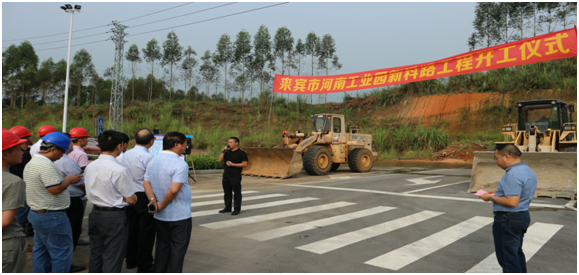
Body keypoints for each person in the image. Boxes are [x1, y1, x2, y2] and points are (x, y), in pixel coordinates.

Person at [23, 132, 83, 273]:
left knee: (41, 250)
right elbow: (54, 189)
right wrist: (69, 180)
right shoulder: (46, 165)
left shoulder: (33, 162)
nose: (62, 155)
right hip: (52, 215)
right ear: (53, 149)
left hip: (39, 213)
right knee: (61, 252)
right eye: (62, 151)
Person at [84, 130, 137, 273]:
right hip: (114, 216)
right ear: (119, 146)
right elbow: (130, 199)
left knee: (96, 253)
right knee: (113, 256)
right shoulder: (119, 170)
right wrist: (133, 198)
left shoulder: (90, 166)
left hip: (95, 213)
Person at [479, 144, 537, 273]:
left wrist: (490, 197)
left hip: (508, 219)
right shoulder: (527, 170)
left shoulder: (513, 174)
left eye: (496, 158)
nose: (496, 162)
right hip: (521, 217)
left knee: (508, 259)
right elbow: (519, 193)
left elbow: (512, 202)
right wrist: (499, 192)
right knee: (516, 254)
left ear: (506, 156)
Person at [143, 132, 191, 273]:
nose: (186, 146)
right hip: (179, 216)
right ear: (177, 145)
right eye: (184, 143)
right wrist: (162, 204)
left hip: (160, 216)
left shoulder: (153, 161)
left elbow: (146, 183)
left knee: (162, 247)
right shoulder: (180, 163)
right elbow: (174, 190)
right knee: (178, 250)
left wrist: (153, 201)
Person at [120, 129, 156, 272]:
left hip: (129, 194)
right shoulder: (149, 157)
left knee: (132, 229)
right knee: (146, 232)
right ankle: (144, 265)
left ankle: (131, 260)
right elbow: (151, 180)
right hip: (143, 195)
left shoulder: (125, 154)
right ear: (151, 141)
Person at [54, 135, 87, 273]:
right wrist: (88, 192)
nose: (73, 144)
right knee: (71, 234)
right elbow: (81, 183)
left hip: (61, 199)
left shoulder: (51, 160)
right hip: (72, 201)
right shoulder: (67, 161)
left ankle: (58, 263)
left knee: (62, 235)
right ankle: (66, 265)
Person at [2, 129, 29, 273]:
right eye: (18, 149)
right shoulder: (13, 181)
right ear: (4, 154)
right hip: (6, 244)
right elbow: (5, 221)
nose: (22, 153)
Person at [8, 126, 35, 237]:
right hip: (23, 188)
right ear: (25, 138)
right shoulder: (25, 154)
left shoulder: (17, 153)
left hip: (15, 187)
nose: (32, 137)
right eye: (30, 135)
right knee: (21, 216)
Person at [218, 137, 248, 216]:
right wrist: (223, 152)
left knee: (237, 193)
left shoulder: (242, 153)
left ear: (236, 143)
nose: (229, 144)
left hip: (235, 176)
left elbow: (244, 164)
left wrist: (233, 164)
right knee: (227, 192)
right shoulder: (227, 152)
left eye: (231, 142)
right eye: (228, 142)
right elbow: (220, 160)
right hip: (226, 175)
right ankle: (227, 207)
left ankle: (236, 209)